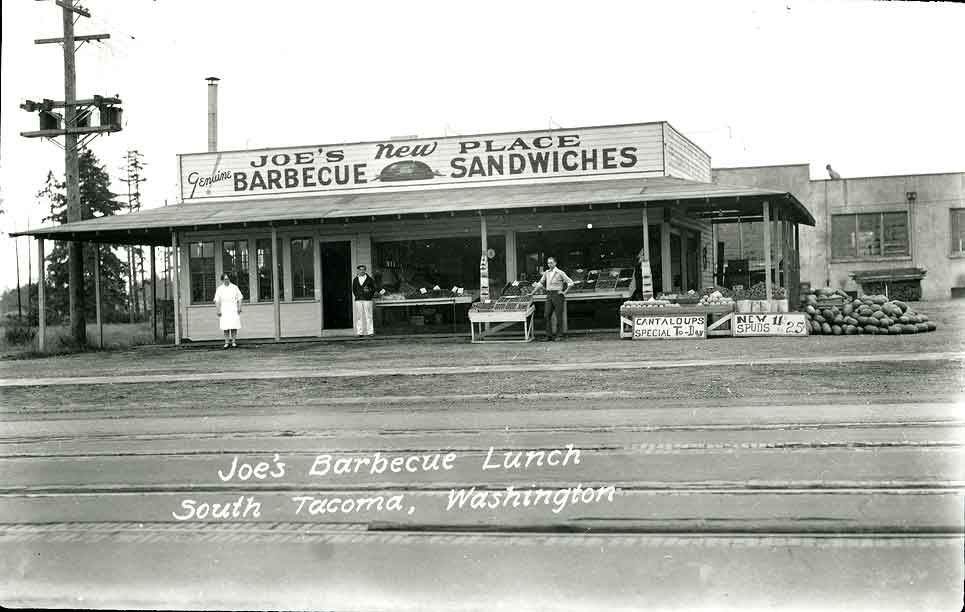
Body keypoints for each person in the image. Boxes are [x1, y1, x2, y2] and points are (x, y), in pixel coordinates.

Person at [532, 256, 574, 341]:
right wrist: (532, 292)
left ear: (555, 263)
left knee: (559, 315)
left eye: (551, 263)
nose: (549, 264)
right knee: (546, 315)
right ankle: (549, 335)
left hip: (558, 295)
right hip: (549, 295)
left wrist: (564, 292)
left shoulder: (560, 272)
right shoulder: (546, 273)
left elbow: (571, 283)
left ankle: (559, 335)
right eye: (548, 263)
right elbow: (540, 283)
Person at [213, 273, 243, 349]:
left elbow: (240, 298)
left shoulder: (234, 287)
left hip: (233, 308)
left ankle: (233, 342)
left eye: (228, 279)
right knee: (225, 327)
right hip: (224, 309)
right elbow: (217, 300)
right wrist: (218, 310)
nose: (227, 280)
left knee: (233, 326)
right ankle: (226, 342)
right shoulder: (220, 289)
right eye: (225, 279)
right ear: (222, 280)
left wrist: (239, 307)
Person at [352, 264, 376, 337]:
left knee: (368, 316)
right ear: (358, 270)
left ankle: (370, 332)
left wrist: (369, 295)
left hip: (367, 300)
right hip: (358, 300)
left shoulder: (370, 279)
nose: (362, 271)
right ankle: (360, 332)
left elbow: (374, 288)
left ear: (365, 270)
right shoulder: (355, 279)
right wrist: (357, 296)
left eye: (363, 269)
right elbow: (354, 289)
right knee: (359, 316)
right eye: (360, 270)